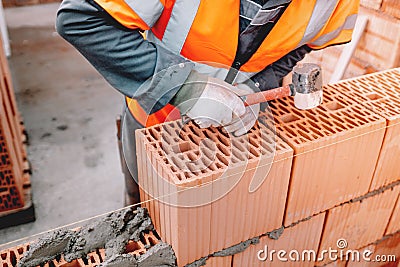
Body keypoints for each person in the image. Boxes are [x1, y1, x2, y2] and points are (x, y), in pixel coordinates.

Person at [56, 0, 360, 205]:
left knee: (218, 223)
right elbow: (82, 20)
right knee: (147, 221)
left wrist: (257, 84)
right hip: (155, 124)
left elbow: (305, 43)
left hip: (239, 131)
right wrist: (183, 87)